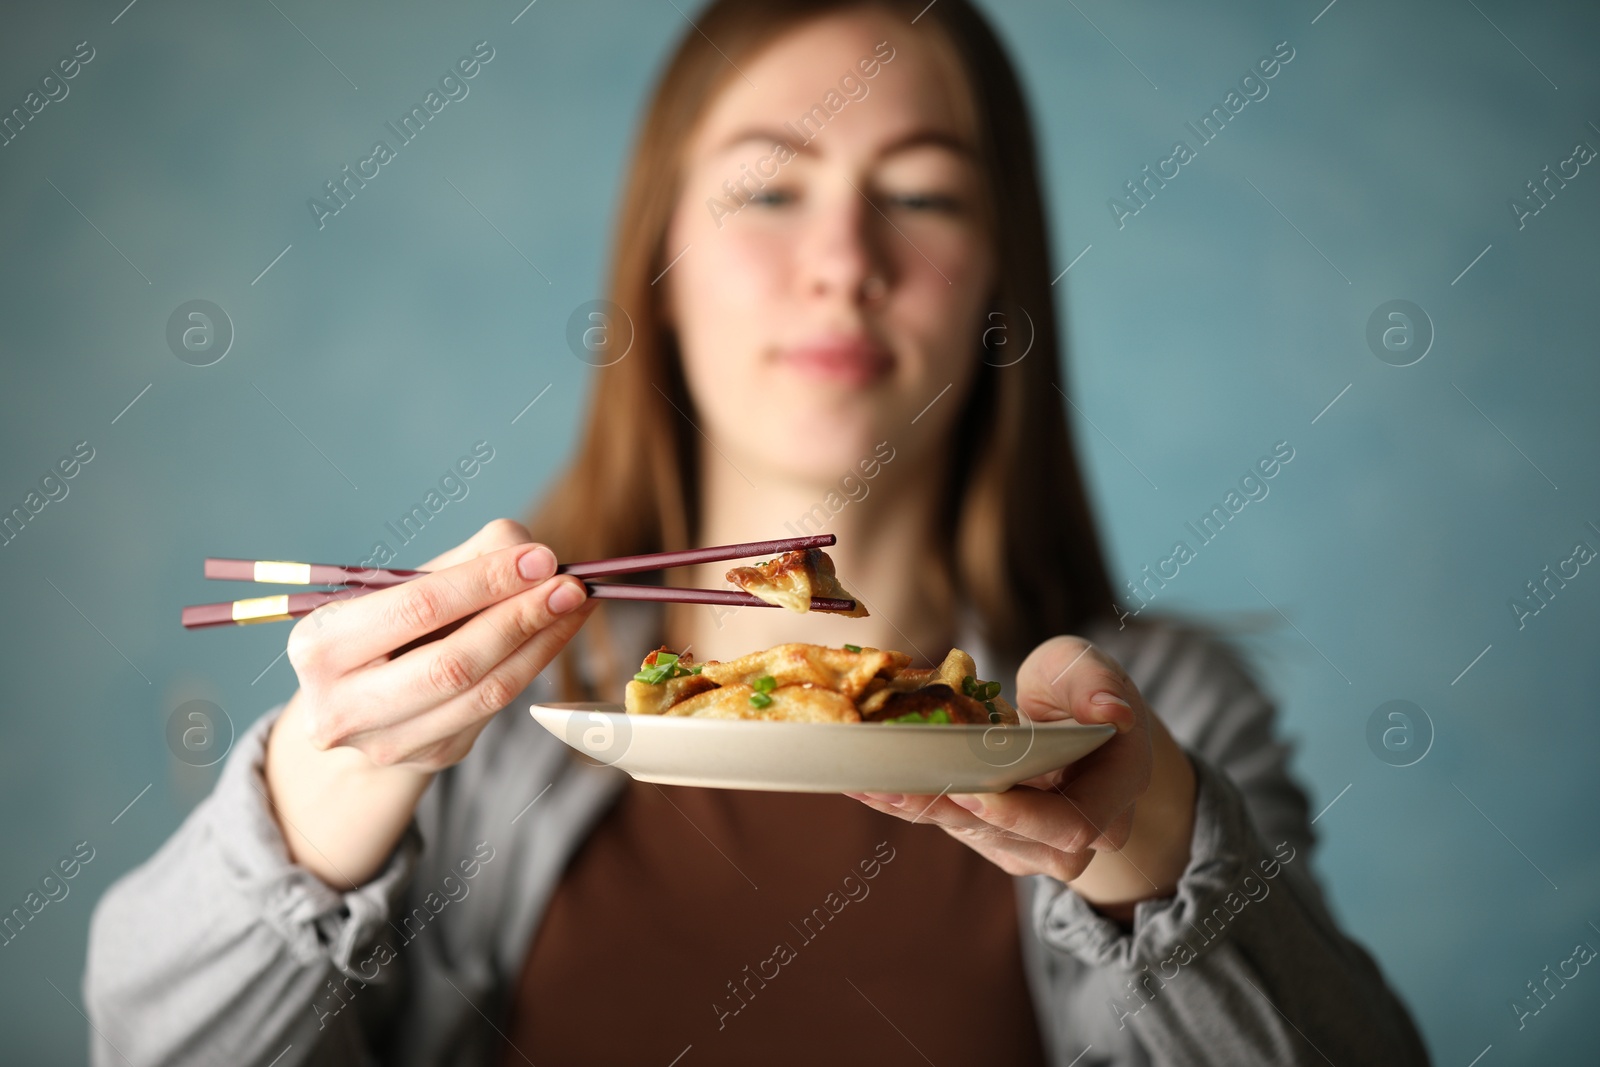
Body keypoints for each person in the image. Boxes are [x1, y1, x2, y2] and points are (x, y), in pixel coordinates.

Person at [83, 1, 1431, 1064]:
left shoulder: (1157, 714)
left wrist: (1155, 861)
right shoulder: (486, 704)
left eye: (923, 194)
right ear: (657, 267)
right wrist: (308, 814)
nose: (845, 257)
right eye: (770, 191)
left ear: (998, 282)